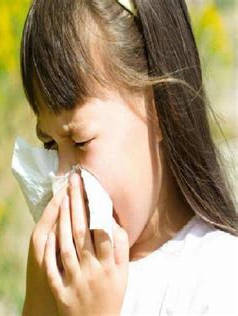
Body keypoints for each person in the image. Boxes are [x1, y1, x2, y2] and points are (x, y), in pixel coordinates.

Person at [18, 0, 238, 315]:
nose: (62, 180)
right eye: (50, 145)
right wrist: (37, 306)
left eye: (80, 141)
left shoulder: (219, 279)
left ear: (161, 111)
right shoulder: (64, 278)